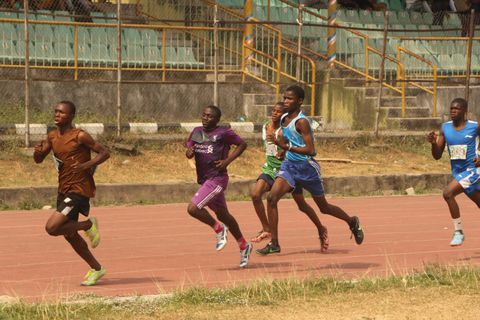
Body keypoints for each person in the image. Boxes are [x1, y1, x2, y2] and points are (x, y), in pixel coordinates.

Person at [256, 85, 364, 255]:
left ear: (299, 101)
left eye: (290, 98)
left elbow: (311, 150)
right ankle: (274, 243)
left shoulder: (302, 122)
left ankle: (352, 221)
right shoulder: (284, 117)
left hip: (307, 168)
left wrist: (286, 146)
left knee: (324, 207)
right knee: (271, 197)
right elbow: (287, 138)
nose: (286, 101)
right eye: (284, 98)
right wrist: (282, 151)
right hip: (289, 167)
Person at [33, 100, 110, 286]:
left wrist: (85, 165)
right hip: (63, 189)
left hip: (79, 189)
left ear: (71, 116)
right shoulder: (52, 136)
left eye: (62, 112)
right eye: (55, 111)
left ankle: (87, 224)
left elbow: (104, 153)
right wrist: (36, 152)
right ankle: (97, 268)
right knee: (70, 235)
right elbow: (38, 159)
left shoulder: (80, 136)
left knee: (52, 228)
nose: (57, 114)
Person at [250, 102, 329, 253]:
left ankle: (321, 228)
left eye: (278, 112)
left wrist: (284, 152)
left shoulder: (285, 128)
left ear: (284, 116)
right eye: (273, 110)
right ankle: (269, 232)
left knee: (302, 205)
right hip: (270, 169)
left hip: (287, 169)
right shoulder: (265, 126)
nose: (274, 113)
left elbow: (297, 144)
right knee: (256, 194)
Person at [186, 105, 253, 268]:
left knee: (193, 208)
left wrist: (227, 161)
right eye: (204, 115)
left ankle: (218, 229)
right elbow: (189, 146)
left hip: (217, 179)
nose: (205, 118)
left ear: (217, 119)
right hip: (204, 180)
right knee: (224, 215)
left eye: (209, 116)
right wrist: (189, 152)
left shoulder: (224, 133)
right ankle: (244, 245)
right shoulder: (196, 131)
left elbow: (242, 144)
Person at [427, 98, 480, 247]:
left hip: (473, 171)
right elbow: (437, 155)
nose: (453, 111)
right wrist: (433, 143)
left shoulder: (475, 127)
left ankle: (458, 232)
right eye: (451, 109)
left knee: (448, 193)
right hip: (458, 173)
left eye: (456, 109)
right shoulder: (445, 128)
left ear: (464, 112)